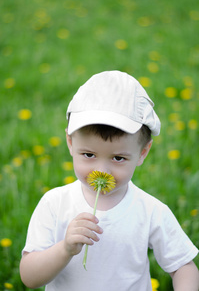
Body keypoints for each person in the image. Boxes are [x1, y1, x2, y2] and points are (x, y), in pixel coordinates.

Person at [20, 71, 199, 291]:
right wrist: (65, 249)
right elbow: (29, 277)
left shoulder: (150, 210)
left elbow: (183, 266)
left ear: (143, 152)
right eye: (88, 155)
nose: (102, 170)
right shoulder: (55, 203)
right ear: (70, 143)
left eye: (118, 158)